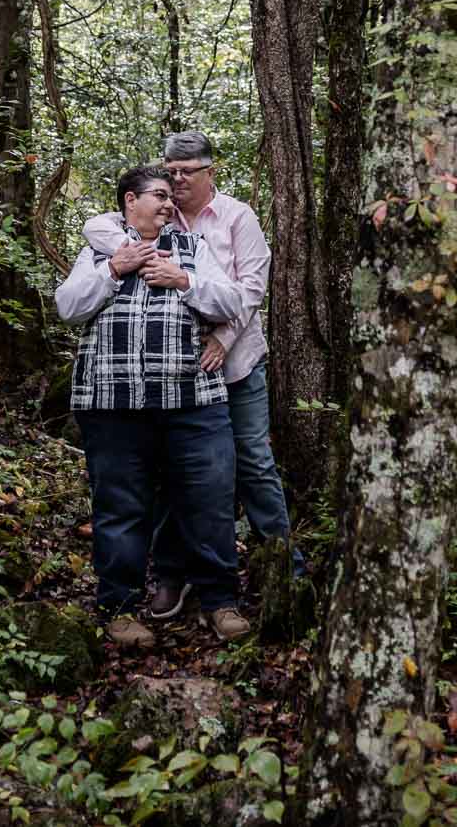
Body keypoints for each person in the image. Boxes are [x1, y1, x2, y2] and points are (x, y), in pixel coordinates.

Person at [83, 130, 302, 622]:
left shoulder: (237, 217)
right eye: (171, 171)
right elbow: (97, 229)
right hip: (175, 378)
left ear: (210, 171)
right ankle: (171, 577)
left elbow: (249, 291)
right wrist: (137, 248)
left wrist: (221, 341)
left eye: (188, 172)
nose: (178, 180)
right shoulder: (159, 214)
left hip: (234, 363)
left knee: (250, 465)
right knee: (168, 478)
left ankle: (283, 567)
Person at [54, 164, 255, 648]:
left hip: (191, 400)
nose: (168, 205)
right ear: (129, 201)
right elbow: (68, 306)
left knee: (209, 498)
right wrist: (113, 270)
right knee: (120, 506)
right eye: (158, 197)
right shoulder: (100, 250)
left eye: (170, 198)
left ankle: (219, 601)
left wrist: (182, 279)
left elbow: (229, 302)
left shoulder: (192, 249)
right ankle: (120, 608)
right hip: (113, 404)